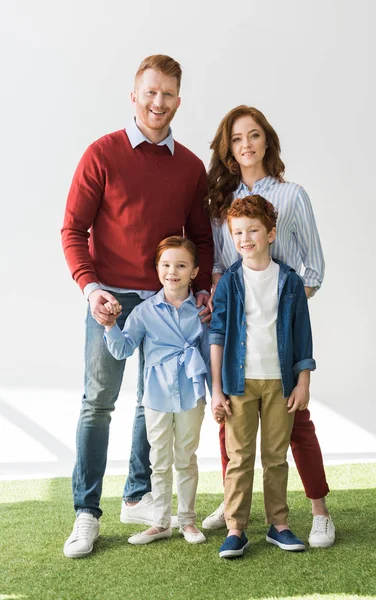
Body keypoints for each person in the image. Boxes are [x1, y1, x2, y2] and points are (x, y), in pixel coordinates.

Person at [61, 55, 213, 558]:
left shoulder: (191, 166)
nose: (158, 102)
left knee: (154, 404)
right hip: (108, 296)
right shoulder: (102, 153)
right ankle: (86, 512)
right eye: (150, 91)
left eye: (168, 94)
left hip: (165, 302)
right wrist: (90, 289)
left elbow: (202, 239)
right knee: (97, 403)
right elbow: (72, 231)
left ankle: (137, 495)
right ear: (134, 95)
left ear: (178, 101)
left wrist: (202, 287)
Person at [202, 105, 335, 549]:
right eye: (236, 140)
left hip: (280, 337)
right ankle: (234, 510)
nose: (246, 146)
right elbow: (222, 266)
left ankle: (316, 511)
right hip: (238, 331)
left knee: (295, 426)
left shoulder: (293, 195)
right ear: (228, 150)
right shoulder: (222, 202)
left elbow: (312, 268)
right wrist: (239, 306)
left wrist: (283, 306)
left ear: (267, 141)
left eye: (253, 136)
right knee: (232, 428)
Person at [211, 194, 315, 558]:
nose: (245, 239)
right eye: (237, 232)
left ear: (271, 234)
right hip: (238, 385)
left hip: (280, 383)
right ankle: (236, 529)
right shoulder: (229, 284)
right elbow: (218, 336)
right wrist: (217, 390)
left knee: (275, 456)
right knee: (238, 458)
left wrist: (304, 381)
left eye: (252, 230)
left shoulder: (288, 281)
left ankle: (279, 525)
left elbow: (302, 334)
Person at [104, 236, 209, 545]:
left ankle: (188, 520)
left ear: (194, 271)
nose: (172, 271)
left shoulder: (202, 311)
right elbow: (123, 349)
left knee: (186, 459)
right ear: (157, 268)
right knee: (159, 462)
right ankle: (161, 522)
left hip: (192, 391)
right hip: (157, 395)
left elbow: (209, 353)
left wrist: (219, 397)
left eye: (181, 265)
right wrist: (111, 325)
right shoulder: (144, 312)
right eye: (166, 265)